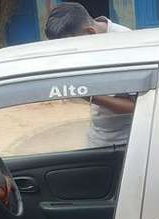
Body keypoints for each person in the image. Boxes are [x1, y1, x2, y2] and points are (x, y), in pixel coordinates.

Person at [43, 3, 134, 147]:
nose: (70, 54)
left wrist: (89, 96)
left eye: (70, 49)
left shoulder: (127, 46)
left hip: (126, 144)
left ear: (91, 33)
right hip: (99, 136)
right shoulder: (89, 41)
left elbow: (138, 106)